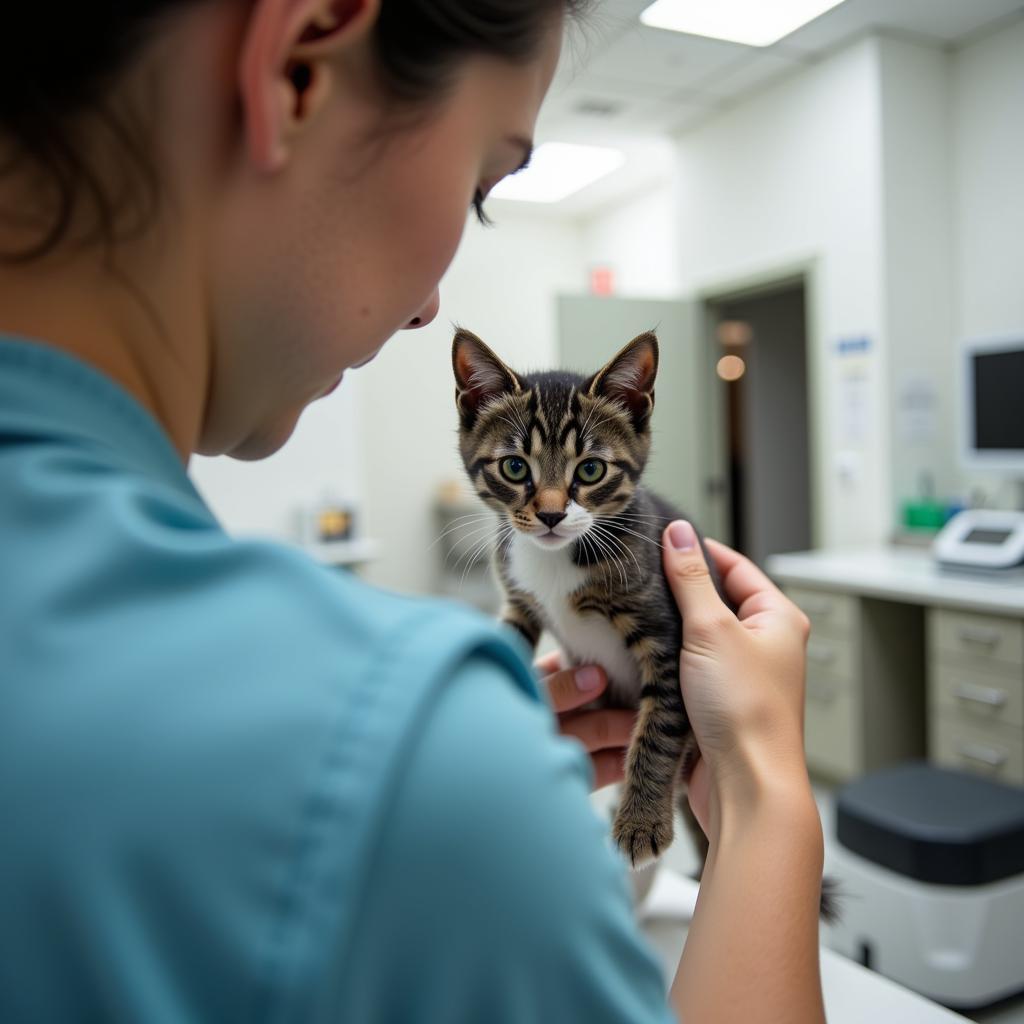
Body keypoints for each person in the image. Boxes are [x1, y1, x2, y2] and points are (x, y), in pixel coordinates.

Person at [0, 1, 826, 1021]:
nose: (431, 305)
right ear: (301, 64)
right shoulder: (407, 749)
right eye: (483, 184)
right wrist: (766, 797)